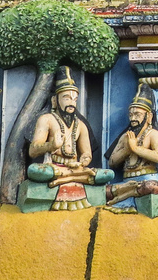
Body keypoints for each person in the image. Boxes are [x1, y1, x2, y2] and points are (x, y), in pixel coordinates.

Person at [26, 67, 112, 209]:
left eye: (74, 99)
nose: (71, 103)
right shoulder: (46, 119)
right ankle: (71, 176)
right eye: (66, 98)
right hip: (53, 167)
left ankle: (68, 177)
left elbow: (87, 154)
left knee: (108, 174)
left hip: (75, 168)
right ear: (55, 100)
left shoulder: (81, 125)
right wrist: (51, 145)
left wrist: (82, 162)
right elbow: (32, 150)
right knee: (34, 171)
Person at [105, 84, 158, 207]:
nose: (133, 119)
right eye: (131, 115)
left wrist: (135, 148)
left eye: (137, 115)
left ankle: (126, 194)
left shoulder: (153, 135)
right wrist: (127, 150)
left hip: (146, 181)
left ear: (149, 116)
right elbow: (112, 162)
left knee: (152, 187)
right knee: (104, 191)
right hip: (126, 183)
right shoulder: (125, 137)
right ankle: (128, 192)